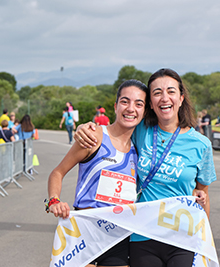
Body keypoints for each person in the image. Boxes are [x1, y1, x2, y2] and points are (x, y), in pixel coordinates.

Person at [75, 68, 216, 267]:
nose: (164, 98)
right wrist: (86, 127)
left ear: (181, 97)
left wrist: (203, 240)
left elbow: (203, 195)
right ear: (151, 102)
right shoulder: (141, 130)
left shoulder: (201, 144)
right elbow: (113, 130)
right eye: (157, 92)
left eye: (171, 91)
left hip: (182, 237)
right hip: (143, 235)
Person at [47, 79, 148, 267]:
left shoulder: (140, 148)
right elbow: (57, 172)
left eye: (138, 104)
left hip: (118, 237)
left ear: (144, 111)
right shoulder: (94, 136)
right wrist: (53, 201)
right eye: (125, 101)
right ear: (116, 106)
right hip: (84, 232)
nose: (131, 108)